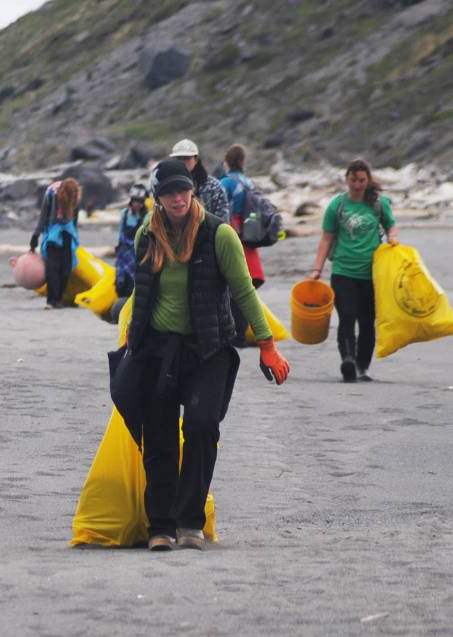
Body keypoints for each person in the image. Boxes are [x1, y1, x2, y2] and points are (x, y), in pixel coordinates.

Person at [114, 159, 289, 552]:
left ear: (191, 192)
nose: (177, 199)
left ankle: (189, 522)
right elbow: (142, 291)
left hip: (208, 347)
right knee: (157, 436)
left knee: (201, 424)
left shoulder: (218, 235)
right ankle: (160, 525)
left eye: (182, 191)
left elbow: (244, 291)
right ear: (158, 198)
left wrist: (267, 344)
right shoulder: (149, 233)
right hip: (158, 349)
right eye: (168, 193)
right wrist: (131, 334)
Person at [309, 158, 399, 382]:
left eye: (361, 180)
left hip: (372, 273)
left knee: (367, 320)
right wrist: (317, 269)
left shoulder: (378, 204)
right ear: (346, 179)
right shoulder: (337, 205)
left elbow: (391, 224)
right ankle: (348, 360)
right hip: (342, 271)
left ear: (368, 181)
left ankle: (362, 366)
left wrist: (393, 237)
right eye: (353, 179)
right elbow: (326, 238)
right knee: (347, 317)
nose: (357, 184)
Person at [220, 144, 265, 346]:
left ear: (227, 162)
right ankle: (243, 332)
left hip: (232, 234)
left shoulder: (227, 183)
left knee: (231, 287)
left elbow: (220, 209)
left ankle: (236, 335)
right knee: (246, 288)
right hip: (250, 237)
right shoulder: (249, 183)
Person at [30, 178, 82, 309]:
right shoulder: (51, 196)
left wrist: (75, 238)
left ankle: (59, 299)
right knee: (52, 268)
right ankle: (51, 300)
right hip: (52, 233)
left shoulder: (75, 198)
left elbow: (74, 220)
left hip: (67, 233)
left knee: (66, 268)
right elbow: (43, 216)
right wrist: (35, 236)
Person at [170, 138, 229, 222]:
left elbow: (223, 217)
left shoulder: (213, 185)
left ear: (196, 160)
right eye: (179, 158)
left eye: (186, 158)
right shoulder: (168, 185)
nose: (182, 162)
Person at [114, 184, 149, 298]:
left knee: (134, 282)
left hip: (138, 252)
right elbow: (121, 232)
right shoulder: (124, 214)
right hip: (124, 252)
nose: (137, 204)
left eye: (140, 201)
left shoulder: (147, 216)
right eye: (135, 201)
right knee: (121, 281)